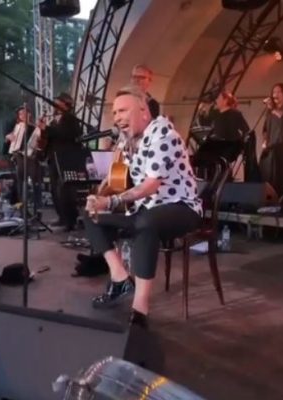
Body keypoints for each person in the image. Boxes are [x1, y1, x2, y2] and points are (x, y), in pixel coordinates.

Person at [83, 85, 203, 329]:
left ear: (144, 112)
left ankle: (140, 309)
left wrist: (112, 201)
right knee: (90, 216)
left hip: (181, 208)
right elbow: (115, 178)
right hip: (144, 211)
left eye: (123, 111)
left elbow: (150, 185)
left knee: (146, 223)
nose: (117, 118)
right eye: (114, 113)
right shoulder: (129, 140)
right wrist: (98, 197)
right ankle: (120, 278)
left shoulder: (164, 136)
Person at [38, 92, 84, 231]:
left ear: (66, 104)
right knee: (54, 188)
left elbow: (67, 134)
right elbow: (51, 136)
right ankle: (61, 217)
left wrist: (47, 129)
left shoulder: (71, 119)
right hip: (53, 157)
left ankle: (70, 220)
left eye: (58, 103)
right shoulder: (54, 120)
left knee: (65, 189)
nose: (55, 105)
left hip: (66, 158)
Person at [259, 83, 283, 198]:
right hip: (272, 150)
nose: (275, 94)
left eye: (279, 92)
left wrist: (272, 109)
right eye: (274, 92)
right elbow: (265, 129)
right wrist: (265, 140)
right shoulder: (270, 112)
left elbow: (282, 120)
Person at [4, 106, 42, 208]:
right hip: (19, 155)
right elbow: (7, 140)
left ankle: (37, 206)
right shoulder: (16, 127)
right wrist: (8, 137)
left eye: (25, 113)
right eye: (21, 114)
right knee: (20, 180)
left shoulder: (35, 128)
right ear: (19, 116)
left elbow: (39, 143)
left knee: (35, 181)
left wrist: (38, 142)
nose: (23, 115)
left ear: (29, 114)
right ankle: (21, 204)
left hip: (31, 157)